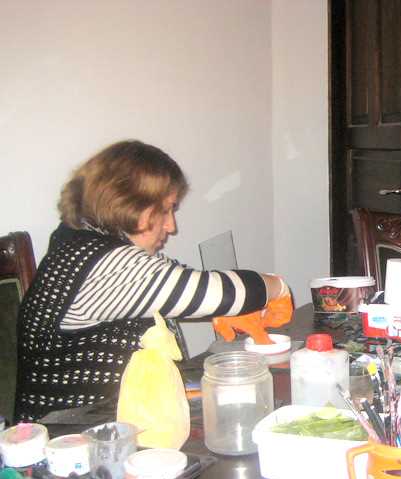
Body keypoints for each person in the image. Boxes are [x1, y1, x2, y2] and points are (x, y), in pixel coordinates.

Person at [16, 140, 289, 422]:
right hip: (69, 437)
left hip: (116, 420)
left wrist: (224, 309)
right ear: (132, 205)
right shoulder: (104, 264)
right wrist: (278, 287)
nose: (171, 226)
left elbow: (178, 279)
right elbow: (224, 293)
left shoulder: (81, 244)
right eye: (166, 210)